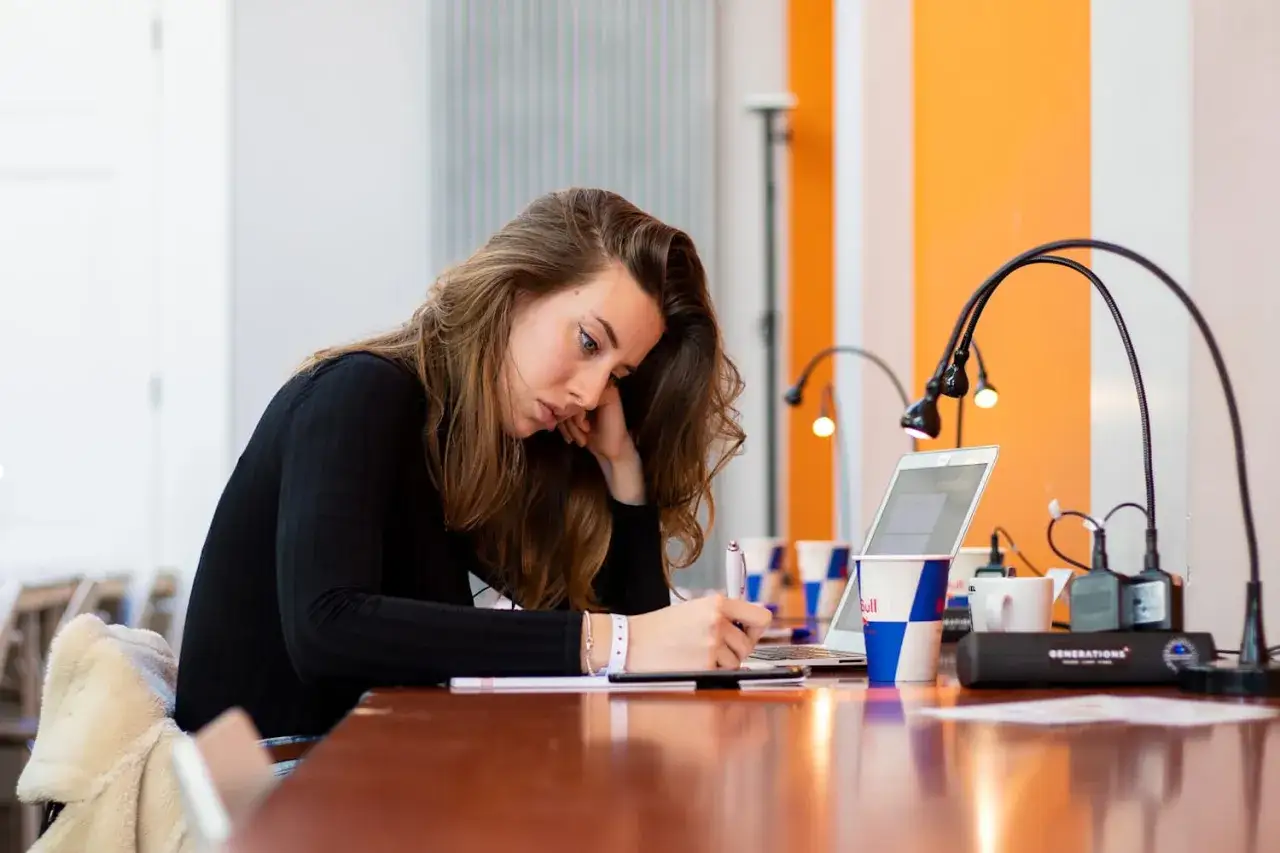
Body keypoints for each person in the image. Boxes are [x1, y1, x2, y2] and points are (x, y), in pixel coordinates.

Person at [174, 188, 773, 738]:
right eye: (589, 342)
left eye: (616, 375)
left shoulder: (478, 447)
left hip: (370, 774)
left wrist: (623, 470)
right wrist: (617, 641)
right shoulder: (357, 393)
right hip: (285, 790)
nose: (590, 395)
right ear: (517, 288)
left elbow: (632, 660)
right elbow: (327, 628)